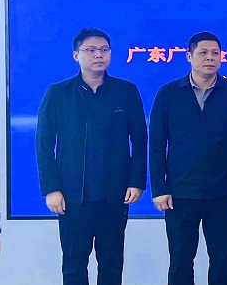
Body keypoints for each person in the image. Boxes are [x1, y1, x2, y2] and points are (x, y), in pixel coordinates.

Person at [35, 28, 147, 285]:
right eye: (91, 50)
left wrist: (136, 182)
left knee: (111, 263)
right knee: (74, 265)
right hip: (72, 196)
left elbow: (140, 140)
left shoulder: (126, 91)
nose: (99, 55)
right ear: (76, 55)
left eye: (104, 50)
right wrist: (51, 188)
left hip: (114, 193)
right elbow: (44, 145)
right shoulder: (58, 93)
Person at [149, 31, 227, 285]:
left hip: (223, 192)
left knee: (222, 258)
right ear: (189, 56)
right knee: (181, 259)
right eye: (203, 53)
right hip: (180, 193)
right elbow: (157, 145)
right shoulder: (168, 94)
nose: (210, 58)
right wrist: (159, 188)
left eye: (215, 53)